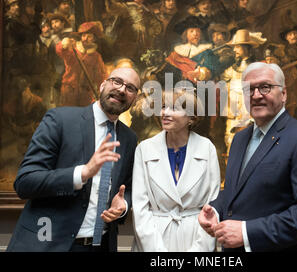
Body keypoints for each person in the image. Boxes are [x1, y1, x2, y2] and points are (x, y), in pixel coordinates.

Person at [198, 62, 297, 252]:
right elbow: (236, 191)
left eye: (265, 87)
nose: (256, 95)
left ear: (284, 93)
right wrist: (215, 210)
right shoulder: (239, 139)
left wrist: (246, 232)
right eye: (249, 89)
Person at [7, 67, 140, 252]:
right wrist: (82, 173)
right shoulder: (60, 120)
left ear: (134, 98)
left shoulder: (129, 139)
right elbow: (25, 182)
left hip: (100, 246)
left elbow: (127, 187)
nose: (122, 89)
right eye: (116, 81)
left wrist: (123, 204)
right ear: (103, 85)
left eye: (131, 88)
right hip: (48, 244)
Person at [132, 89, 221, 251]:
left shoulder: (206, 148)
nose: (165, 113)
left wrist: (200, 249)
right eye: (163, 106)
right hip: (153, 239)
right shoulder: (144, 149)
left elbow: (213, 204)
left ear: (191, 118)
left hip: (196, 236)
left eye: (174, 108)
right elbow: (140, 208)